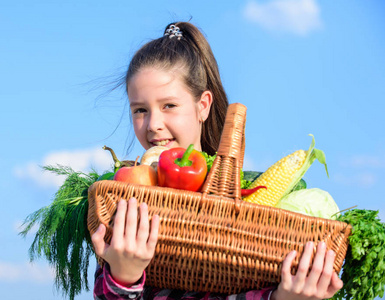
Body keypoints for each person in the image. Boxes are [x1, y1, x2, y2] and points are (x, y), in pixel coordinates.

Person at [91, 21, 343, 300]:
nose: (153, 124)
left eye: (169, 106)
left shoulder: (244, 201)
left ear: (203, 106)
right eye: (140, 110)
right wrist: (125, 276)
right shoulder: (127, 206)